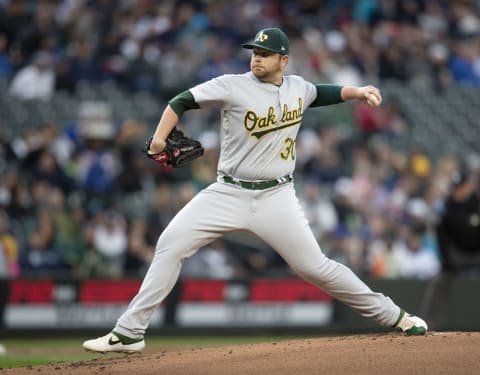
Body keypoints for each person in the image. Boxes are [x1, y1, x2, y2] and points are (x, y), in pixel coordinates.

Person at [83, 27, 427, 353]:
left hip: (277, 197)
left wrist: (358, 91)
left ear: (283, 60)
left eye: (265, 53)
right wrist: (159, 139)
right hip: (227, 192)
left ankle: (395, 316)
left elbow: (323, 93)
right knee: (170, 246)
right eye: (254, 52)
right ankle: (129, 332)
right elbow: (181, 100)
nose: (257, 58)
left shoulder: (298, 87)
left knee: (315, 268)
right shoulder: (232, 85)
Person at [420, 167, 480, 329]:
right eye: (456, 188)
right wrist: (448, 261)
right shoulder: (446, 208)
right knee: (439, 282)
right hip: (458, 254)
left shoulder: (477, 203)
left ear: (469, 186)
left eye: (462, 187)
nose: (458, 191)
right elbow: (442, 239)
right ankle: (427, 323)